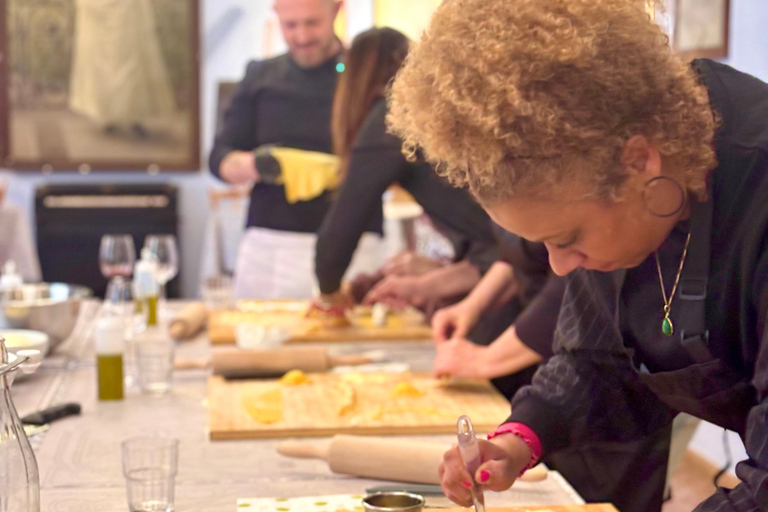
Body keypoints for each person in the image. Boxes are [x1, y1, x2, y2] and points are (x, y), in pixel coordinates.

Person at [387, 0, 768, 510]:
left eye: (566, 238)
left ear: (639, 162)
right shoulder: (603, 168)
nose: (559, 266)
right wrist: (520, 438)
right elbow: (596, 361)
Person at [312, 27, 498, 315]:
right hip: (510, 261)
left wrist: (329, 293)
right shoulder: (437, 107)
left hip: (510, 270)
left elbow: (340, 233)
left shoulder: (391, 118)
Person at [210, 0, 381, 300]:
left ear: (336, 11)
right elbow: (219, 159)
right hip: (271, 247)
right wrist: (257, 165)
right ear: (276, 14)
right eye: (290, 25)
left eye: (312, 23)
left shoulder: (365, 77)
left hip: (354, 243)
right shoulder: (260, 75)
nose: (302, 36)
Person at [69, 0, 176, 135]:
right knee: (101, 58)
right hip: (98, 8)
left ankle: (134, 116)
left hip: (126, 9)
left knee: (131, 58)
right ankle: (106, 115)